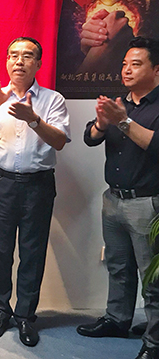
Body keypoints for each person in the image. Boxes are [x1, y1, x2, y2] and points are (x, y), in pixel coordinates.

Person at [0, 37, 70, 347]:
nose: (19, 61)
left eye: (27, 56)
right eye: (13, 55)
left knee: (32, 252)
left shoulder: (52, 100)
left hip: (38, 185)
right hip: (1, 184)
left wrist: (34, 120)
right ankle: (0, 313)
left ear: (38, 63)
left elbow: (59, 141)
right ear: (7, 61)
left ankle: (25, 316)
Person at [77, 37, 159, 359]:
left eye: (135, 64)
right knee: (118, 267)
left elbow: (155, 145)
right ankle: (117, 319)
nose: (126, 70)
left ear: (156, 70)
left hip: (147, 203)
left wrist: (123, 121)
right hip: (113, 200)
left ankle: (154, 341)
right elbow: (89, 138)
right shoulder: (118, 103)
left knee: (152, 278)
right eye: (124, 64)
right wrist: (102, 122)